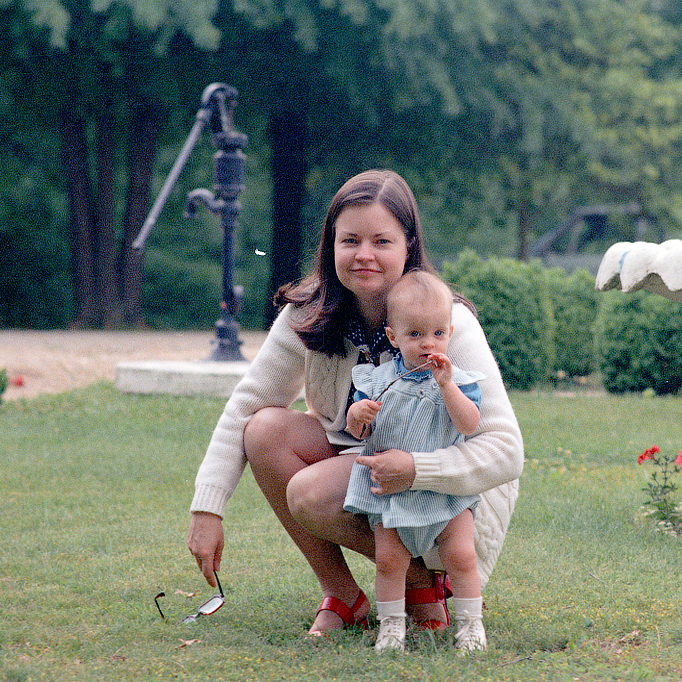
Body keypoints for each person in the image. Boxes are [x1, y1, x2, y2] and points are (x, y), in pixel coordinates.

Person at [186, 169, 523, 640]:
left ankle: (422, 581)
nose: (363, 255)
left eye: (381, 241)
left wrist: (417, 469)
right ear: (331, 245)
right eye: (350, 241)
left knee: (309, 492)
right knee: (263, 428)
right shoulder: (308, 314)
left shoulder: (448, 323)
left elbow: (506, 449)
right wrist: (208, 509)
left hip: (447, 489)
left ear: (408, 245)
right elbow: (246, 405)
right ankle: (344, 595)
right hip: (366, 461)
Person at [343, 270, 487, 652]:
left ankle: (472, 625)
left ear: (450, 333)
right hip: (390, 494)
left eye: (438, 334)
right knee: (390, 561)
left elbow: (469, 424)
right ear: (393, 337)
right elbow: (358, 434)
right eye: (415, 335)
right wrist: (357, 416)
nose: (428, 344)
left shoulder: (460, 381)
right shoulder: (374, 381)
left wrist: (447, 386)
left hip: (443, 492)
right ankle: (392, 626)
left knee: (461, 554)